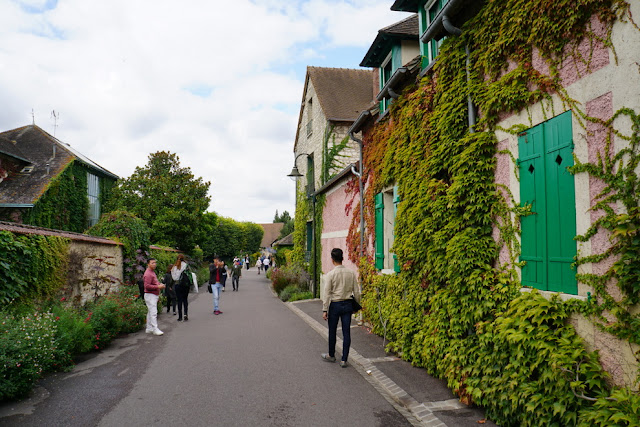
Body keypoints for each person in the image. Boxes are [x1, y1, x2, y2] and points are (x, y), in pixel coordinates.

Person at [321, 248, 360, 368]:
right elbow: (357, 292)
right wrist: (356, 305)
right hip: (348, 304)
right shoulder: (351, 273)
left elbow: (327, 293)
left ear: (332, 260)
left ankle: (331, 355)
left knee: (332, 331)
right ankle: (344, 359)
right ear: (342, 258)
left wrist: (325, 309)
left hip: (335, 305)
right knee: (346, 332)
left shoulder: (331, 274)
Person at [143, 258, 165, 336]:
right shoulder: (148, 274)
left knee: (150, 312)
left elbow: (154, 282)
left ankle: (149, 328)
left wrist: (159, 285)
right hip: (150, 295)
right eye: (152, 263)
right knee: (153, 312)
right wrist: (158, 287)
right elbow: (147, 286)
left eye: (155, 262)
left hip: (152, 294)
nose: (154, 264)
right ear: (148, 264)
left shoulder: (152, 272)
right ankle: (155, 329)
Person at [171, 254, 190, 321]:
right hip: (185, 285)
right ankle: (185, 314)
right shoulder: (186, 265)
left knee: (179, 300)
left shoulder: (174, 267)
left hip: (177, 284)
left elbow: (174, 278)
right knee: (185, 299)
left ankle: (180, 317)